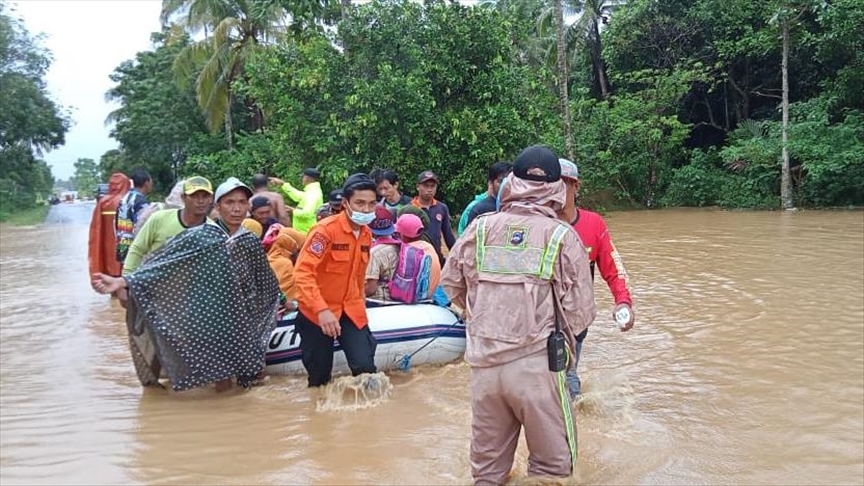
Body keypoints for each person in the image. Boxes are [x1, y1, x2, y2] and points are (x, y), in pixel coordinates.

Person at [440, 145, 596, 485]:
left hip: (483, 368)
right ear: (557, 188)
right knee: (553, 471)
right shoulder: (561, 236)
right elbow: (581, 313)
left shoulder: (479, 229)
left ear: (511, 182)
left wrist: (483, 315)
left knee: (487, 472)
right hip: (538, 369)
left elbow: (450, 284)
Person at [92, 176, 278, 393]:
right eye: (229, 203)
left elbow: (265, 281)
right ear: (218, 206)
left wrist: (280, 304)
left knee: (246, 374)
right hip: (203, 312)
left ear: (248, 206)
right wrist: (124, 281)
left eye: (241, 203)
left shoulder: (250, 240)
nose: (236, 209)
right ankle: (160, 394)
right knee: (215, 371)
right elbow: (167, 264)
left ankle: (230, 412)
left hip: (238, 313)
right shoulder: (202, 235)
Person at [292, 173, 379, 387]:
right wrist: (321, 310)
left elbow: (357, 278)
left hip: (351, 310)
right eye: (360, 203)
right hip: (317, 312)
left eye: (371, 204)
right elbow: (303, 273)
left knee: (365, 368)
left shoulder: (367, 235)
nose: (366, 210)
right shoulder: (324, 232)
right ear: (346, 203)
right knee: (319, 378)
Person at [558, 158, 635, 399]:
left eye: (564, 185)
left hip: (575, 319)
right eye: (552, 184)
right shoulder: (538, 225)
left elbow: (614, 268)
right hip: (539, 317)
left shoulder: (593, 224)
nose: (557, 191)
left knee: (567, 374)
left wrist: (623, 301)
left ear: (576, 187)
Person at [122, 176, 214, 276]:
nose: (200, 201)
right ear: (183, 198)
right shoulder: (159, 219)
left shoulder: (212, 231)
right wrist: (126, 279)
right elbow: (137, 249)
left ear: (211, 199)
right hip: (153, 282)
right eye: (194, 196)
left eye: (205, 196)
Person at [88, 172, 130, 288]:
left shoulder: (103, 202)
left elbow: (96, 229)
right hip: (127, 249)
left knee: (112, 283)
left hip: (108, 251)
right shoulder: (130, 201)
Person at [411, 170, 456, 264]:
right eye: (426, 186)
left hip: (436, 258)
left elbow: (448, 235)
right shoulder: (410, 209)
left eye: (432, 186)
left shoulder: (441, 208)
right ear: (418, 187)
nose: (429, 189)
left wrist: (456, 255)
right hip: (415, 259)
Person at [458, 161, 512, 236]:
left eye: (509, 181)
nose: (505, 185)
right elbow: (467, 240)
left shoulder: (516, 207)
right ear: (491, 183)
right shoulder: (479, 210)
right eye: (500, 181)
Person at [263, 224, 306, 310]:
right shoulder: (285, 264)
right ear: (291, 245)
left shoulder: (268, 257)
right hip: (282, 310)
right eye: (298, 249)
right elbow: (285, 292)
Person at [394, 214, 441, 292]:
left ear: (401, 235)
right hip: (433, 294)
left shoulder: (406, 250)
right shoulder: (429, 246)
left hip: (416, 297)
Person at [115, 167, 152, 265]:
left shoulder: (124, 199)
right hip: (135, 247)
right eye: (151, 181)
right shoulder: (141, 202)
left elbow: (115, 223)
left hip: (122, 245)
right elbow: (144, 225)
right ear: (146, 183)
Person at [270, 168, 324, 234]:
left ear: (307, 178)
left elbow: (307, 214)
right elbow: (297, 196)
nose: (302, 179)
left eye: (303, 177)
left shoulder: (312, 194)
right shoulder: (311, 191)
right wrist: (283, 184)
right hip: (304, 230)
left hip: (306, 231)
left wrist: (293, 210)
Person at [365, 206, 400, 300]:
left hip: (379, 300)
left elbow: (371, 289)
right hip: (399, 298)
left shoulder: (374, 253)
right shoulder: (400, 246)